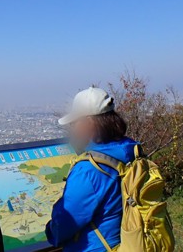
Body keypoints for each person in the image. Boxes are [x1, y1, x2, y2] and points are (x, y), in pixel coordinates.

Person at [45, 87, 138, 252]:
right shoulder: (131, 150)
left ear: (88, 123)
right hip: (127, 242)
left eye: (76, 123)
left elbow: (66, 223)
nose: (74, 129)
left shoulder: (90, 170)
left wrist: (50, 230)